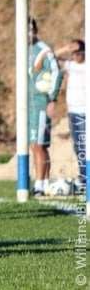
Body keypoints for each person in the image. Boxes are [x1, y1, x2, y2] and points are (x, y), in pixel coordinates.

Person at [28, 19, 63, 197]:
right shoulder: (23, 50)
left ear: (35, 31)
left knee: (39, 144)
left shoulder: (43, 49)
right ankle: (42, 183)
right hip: (28, 104)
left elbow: (57, 72)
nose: (28, 34)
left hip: (41, 102)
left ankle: (41, 185)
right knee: (34, 145)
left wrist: (52, 98)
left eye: (30, 30)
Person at [52, 39, 85, 192]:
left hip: (87, 110)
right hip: (74, 111)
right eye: (74, 53)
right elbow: (50, 57)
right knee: (79, 146)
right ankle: (84, 177)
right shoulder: (70, 65)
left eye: (79, 53)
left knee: (86, 145)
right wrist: (66, 48)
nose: (76, 56)